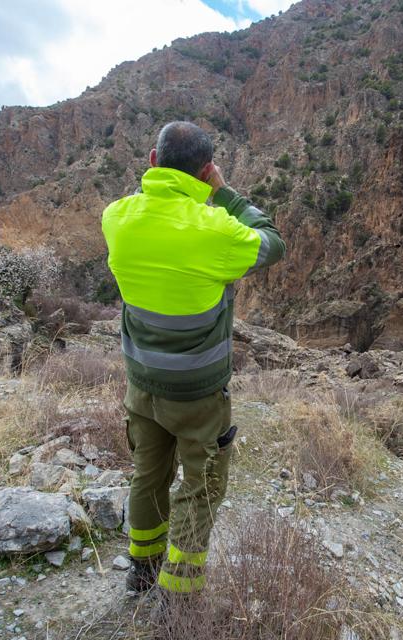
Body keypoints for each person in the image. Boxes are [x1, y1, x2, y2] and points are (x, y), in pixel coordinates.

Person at [101, 121, 285, 597]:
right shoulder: (216, 230)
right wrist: (223, 192)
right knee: (199, 489)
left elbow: (150, 211)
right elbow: (271, 240)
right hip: (199, 397)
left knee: (147, 477)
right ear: (206, 172)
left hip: (141, 385)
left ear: (151, 160)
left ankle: (142, 570)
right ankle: (178, 598)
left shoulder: (116, 218)